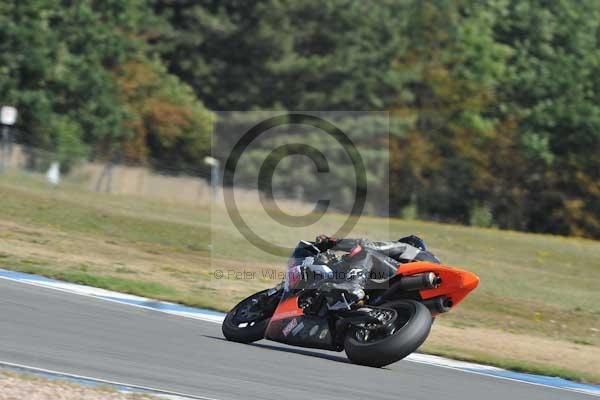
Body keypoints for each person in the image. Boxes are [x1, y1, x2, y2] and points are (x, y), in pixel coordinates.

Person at [285, 234, 440, 310]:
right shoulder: (433, 261)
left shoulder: (408, 249)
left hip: (406, 274)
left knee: (367, 252)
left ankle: (352, 284)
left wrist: (333, 242)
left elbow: (370, 246)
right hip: (419, 294)